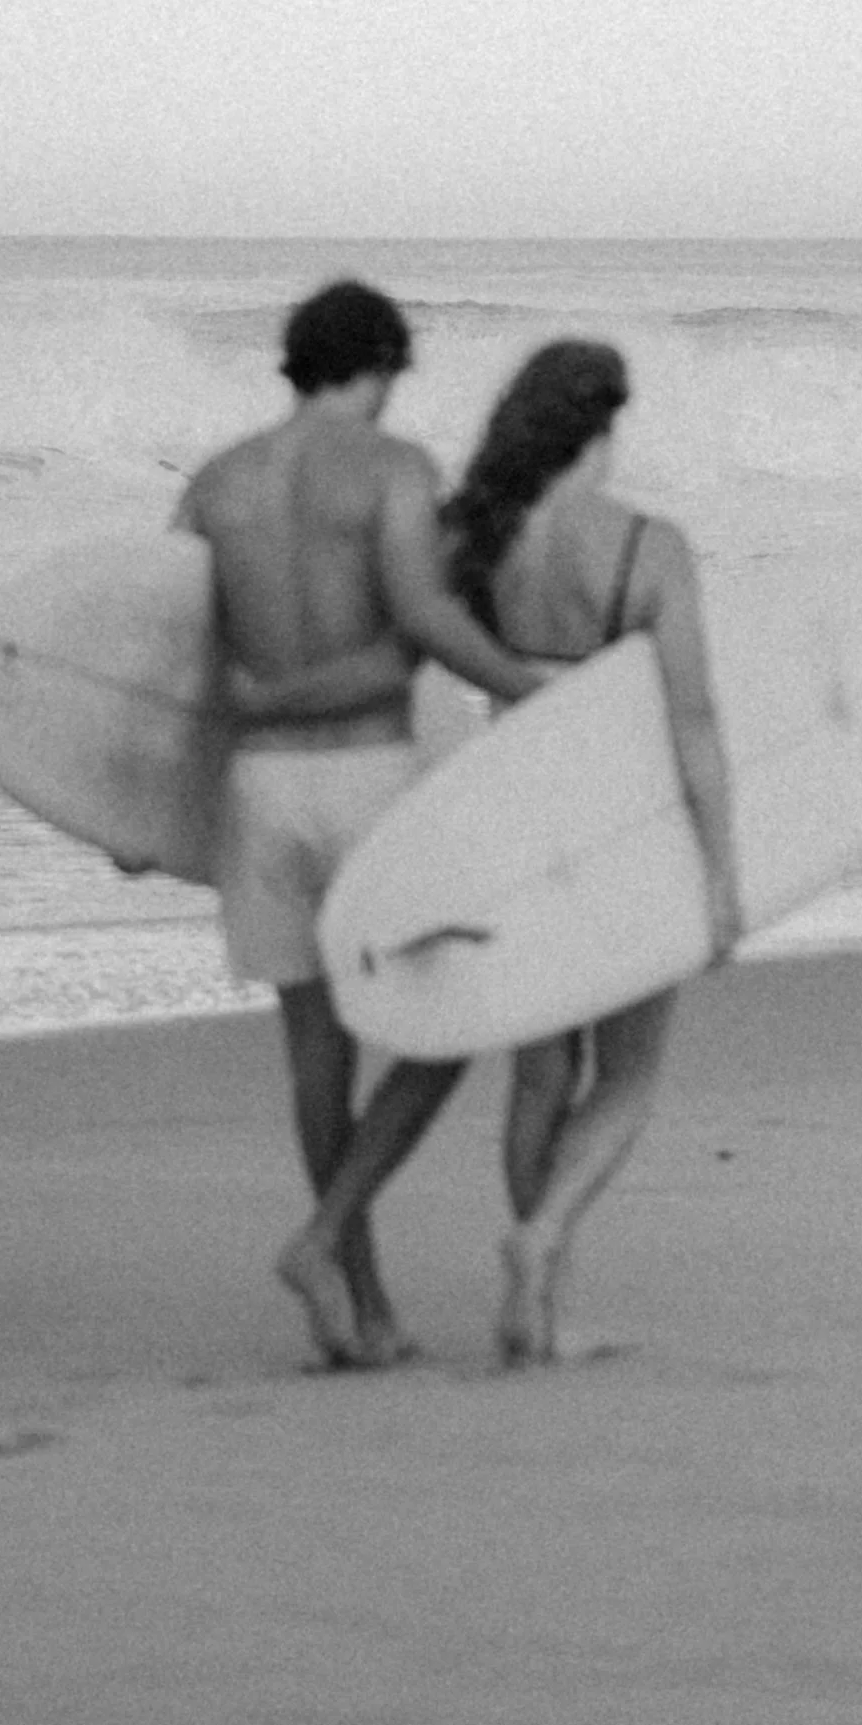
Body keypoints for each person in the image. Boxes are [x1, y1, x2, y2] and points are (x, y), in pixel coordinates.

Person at [175, 279, 547, 1371]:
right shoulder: (391, 471)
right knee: (456, 1023)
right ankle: (327, 1237)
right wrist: (531, 692)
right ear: (379, 364)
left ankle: (366, 1311)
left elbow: (166, 663)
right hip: (369, 785)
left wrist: (146, 815)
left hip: (258, 794)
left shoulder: (212, 485)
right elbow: (424, 619)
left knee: (314, 1055)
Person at [440, 338, 743, 1367]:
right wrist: (719, 872)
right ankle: (543, 1241)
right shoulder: (647, 549)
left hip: (520, 829)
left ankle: (539, 1306)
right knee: (627, 1073)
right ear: (602, 431)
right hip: (627, 830)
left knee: (538, 1075)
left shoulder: (479, 541)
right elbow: (693, 723)